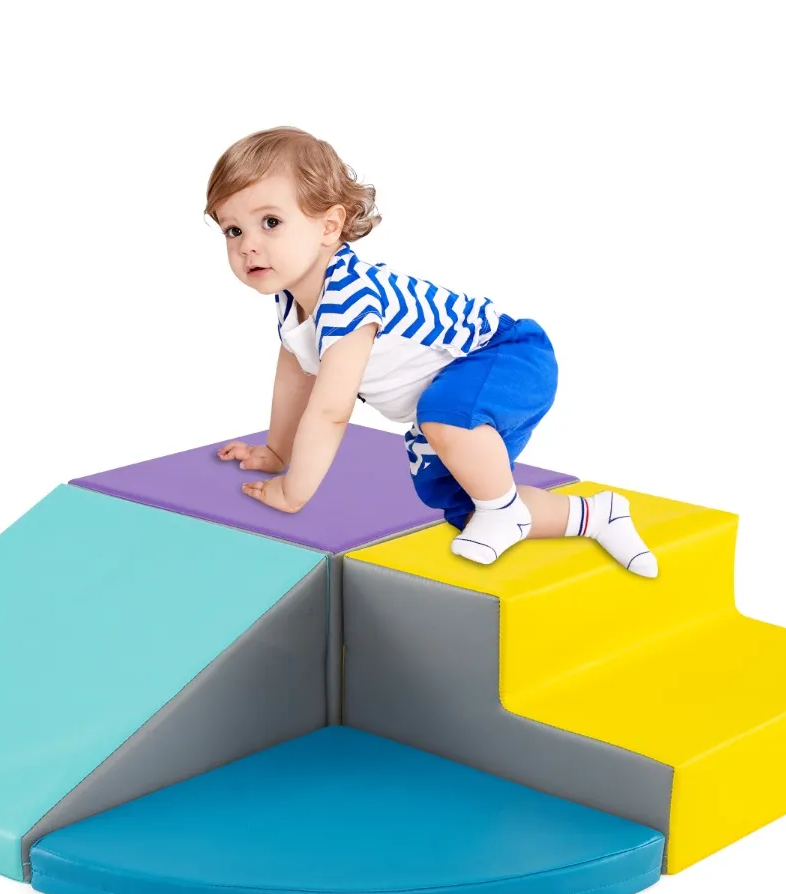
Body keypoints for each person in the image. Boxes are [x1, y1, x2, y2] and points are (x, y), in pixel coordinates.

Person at [205, 126, 656, 575]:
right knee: (461, 501)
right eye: (233, 230)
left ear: (329, 225)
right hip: (456, 391)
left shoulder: (351, 296)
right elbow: (296, 378)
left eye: (270, 222)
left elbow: (330, 411)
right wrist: (278, 451)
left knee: (446, 415)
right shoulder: (293, 303)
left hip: (507, 355)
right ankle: (596, 516)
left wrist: (294, 491)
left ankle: (503, 511)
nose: (248, 245)